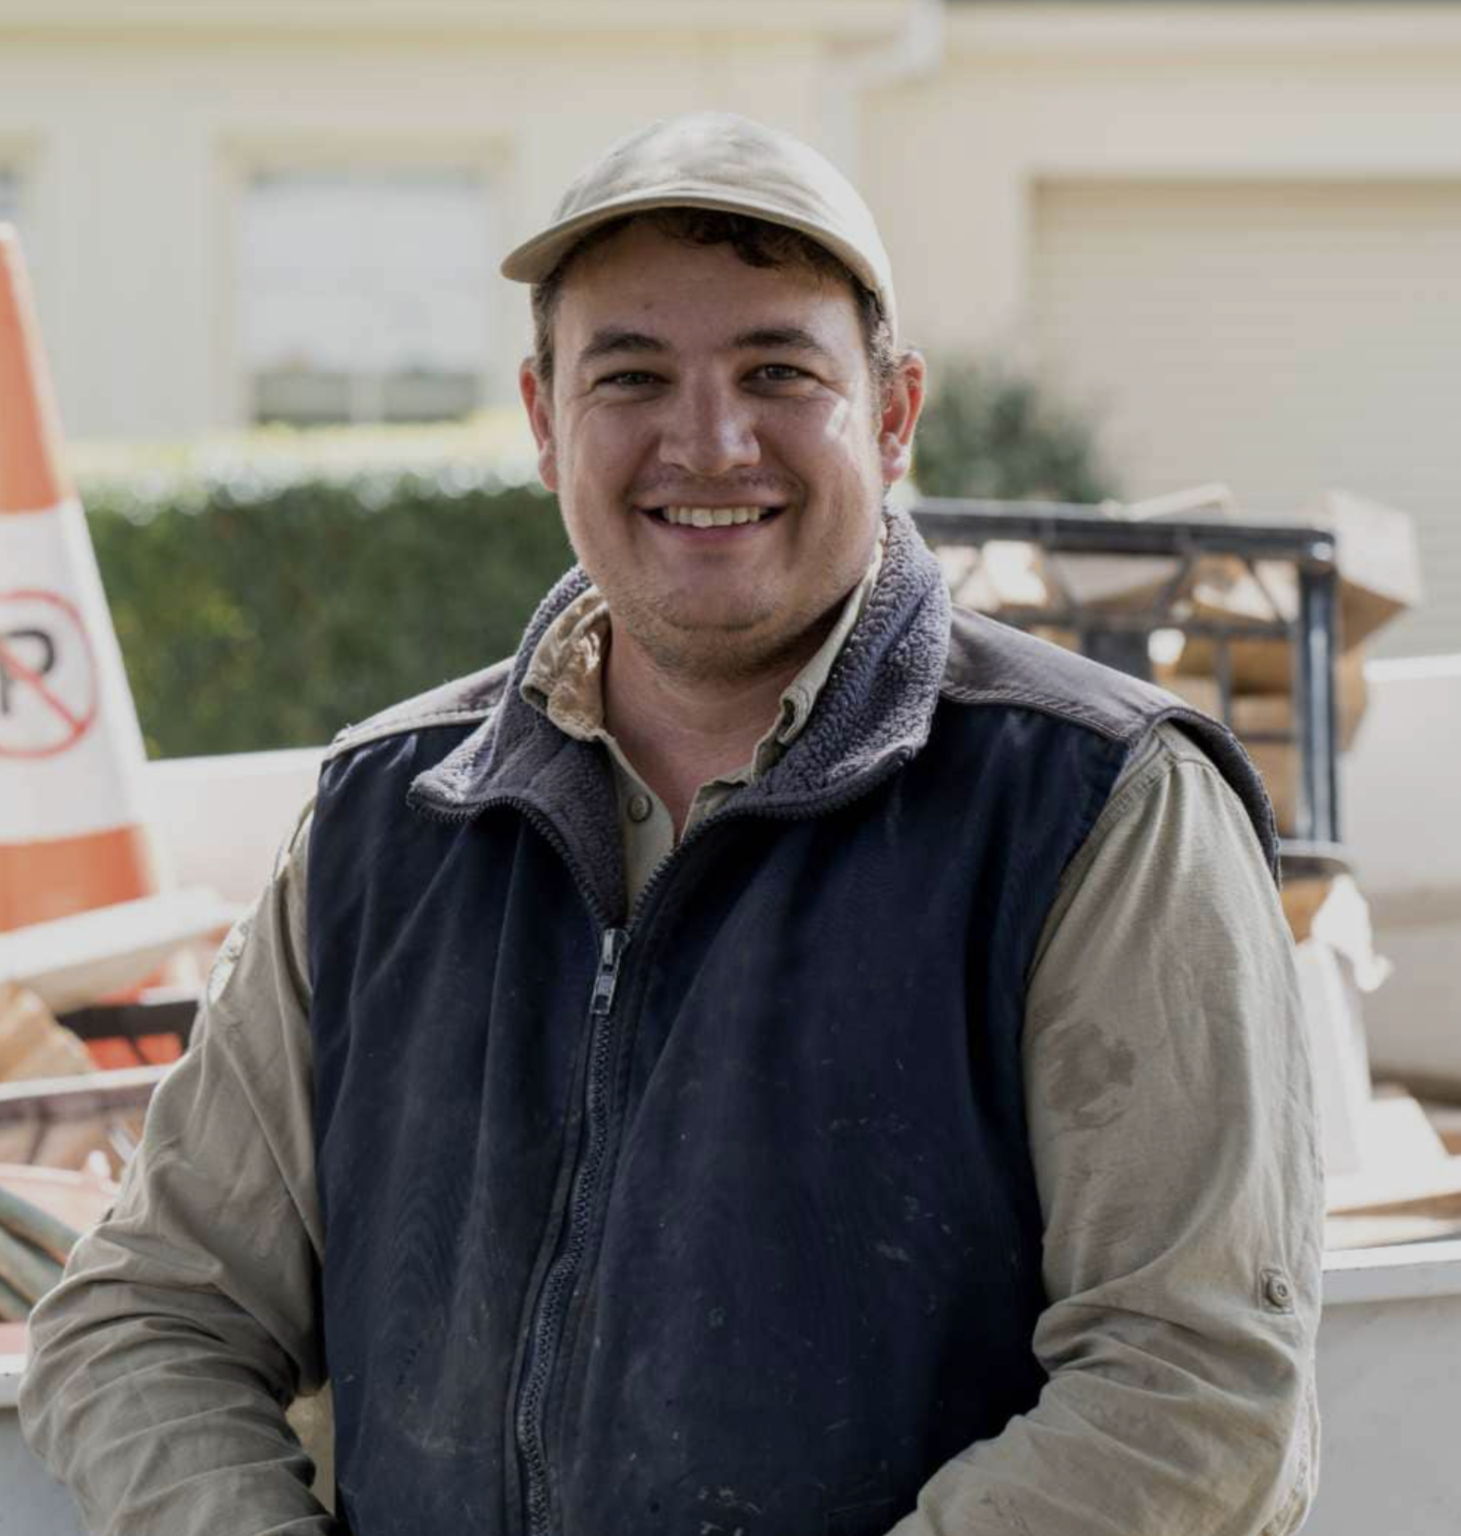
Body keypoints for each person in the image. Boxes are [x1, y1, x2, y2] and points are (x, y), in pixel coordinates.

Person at [21, 112, 1322, 1536]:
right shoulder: (387, 823)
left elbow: (1196, 1390)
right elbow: (147, 1320)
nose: (709, 442)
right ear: (543, 420)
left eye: (779, 372)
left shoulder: (1095, 808)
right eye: (632, 375)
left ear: (894, 415)